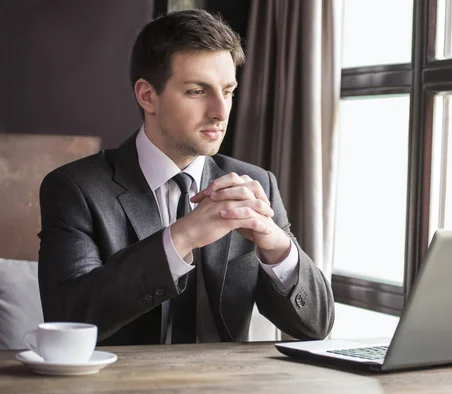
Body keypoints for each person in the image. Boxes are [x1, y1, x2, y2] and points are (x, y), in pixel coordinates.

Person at [37, 9, 334, 345]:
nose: (221, 112)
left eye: (228, 91)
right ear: (148, 95)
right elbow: (68, 316)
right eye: (197, 91)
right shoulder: (75, 188)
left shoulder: (256, 183)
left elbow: (316, 326)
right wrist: (182, 237)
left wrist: (277, 247)